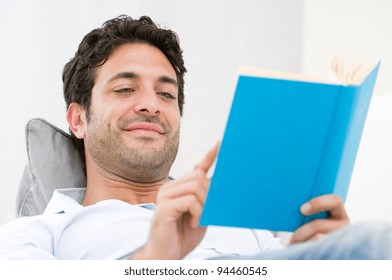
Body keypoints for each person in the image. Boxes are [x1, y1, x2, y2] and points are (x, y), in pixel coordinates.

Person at [0, 15, 390, 260]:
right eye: (124, 89)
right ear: (78, 119)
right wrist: (156, 260)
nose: (151, 105)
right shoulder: (34, 236)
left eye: (166, 94)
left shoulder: (245, 225)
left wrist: (329, 260)